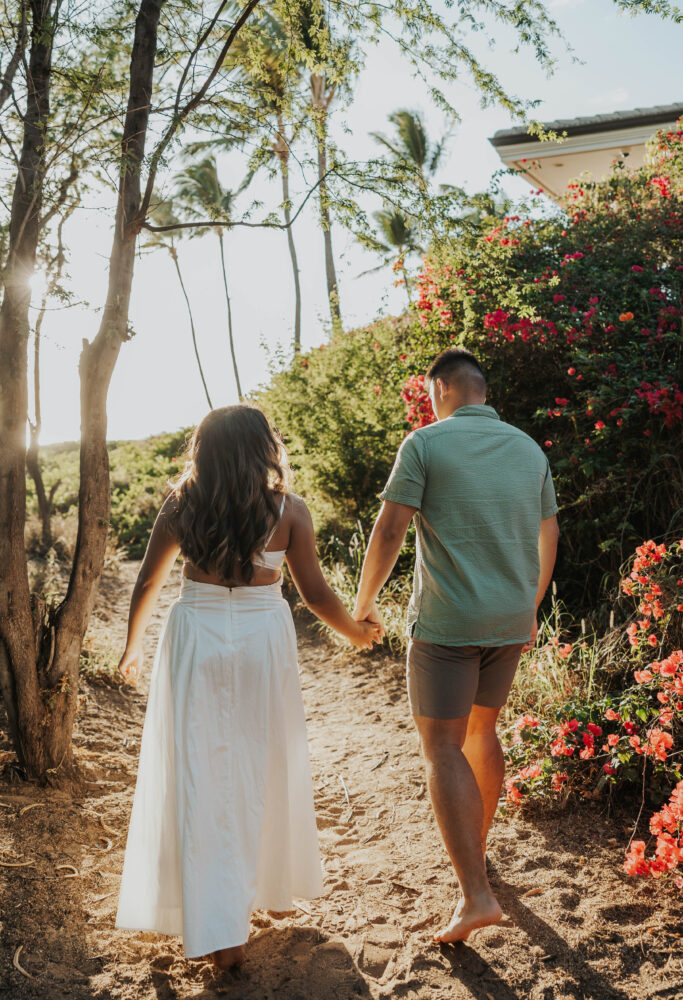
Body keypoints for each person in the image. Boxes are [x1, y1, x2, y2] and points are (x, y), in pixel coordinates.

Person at [115, 405, 380, 971]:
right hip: (261, 639)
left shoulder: (182, 504)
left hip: (195, 636)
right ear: (264, 447)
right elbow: (315, 595)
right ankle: (235, 910)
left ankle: (218, 923)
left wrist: (132, 646)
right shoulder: (288, 510)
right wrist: (355, 632)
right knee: (255, 768)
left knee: (200, 772)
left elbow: (147, 581)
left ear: (204, 450)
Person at [353, 347, 560, 944]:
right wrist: (532, 603)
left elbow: (391, 528)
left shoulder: (425, 443)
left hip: (448, 623)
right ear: (482, 390)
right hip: (509, 619)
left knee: (442, 747)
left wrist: (363, 606)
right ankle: (479, 858)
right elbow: (549, 531)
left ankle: (475, 893)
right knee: (481, 733)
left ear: (440, 388)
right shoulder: (527, 448)